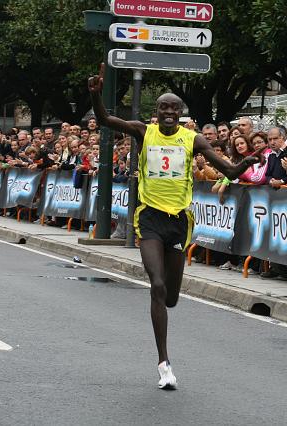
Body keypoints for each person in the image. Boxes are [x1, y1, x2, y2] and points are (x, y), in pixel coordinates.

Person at [88, 64, 263, 389]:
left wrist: (245, 165)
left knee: (170, 298)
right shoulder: (143, 131)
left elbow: (228, 170)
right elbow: (105, 121)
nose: (169, 113)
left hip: (179, 222)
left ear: (180, 114)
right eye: (163, 108)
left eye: (174, 109)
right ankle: (164, 363)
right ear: (157, 112)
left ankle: (166, 307)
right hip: (150, 218)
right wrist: (96, 97)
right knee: (156, 285)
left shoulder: (192, 139)